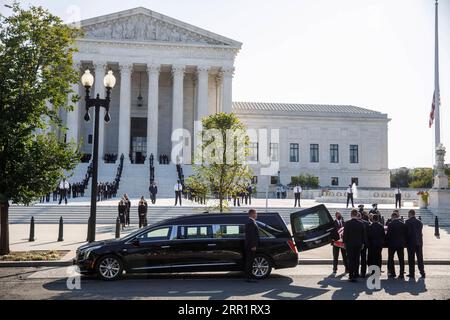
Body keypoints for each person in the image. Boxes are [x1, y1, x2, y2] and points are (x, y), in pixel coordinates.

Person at [343, 209, 366, 282]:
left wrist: (344, 243)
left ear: (351, 215)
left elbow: (345, 235)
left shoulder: (347, 223)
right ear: (357, 215)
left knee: (350, 260)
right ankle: (356, 274)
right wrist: (363, 243)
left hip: (349, 244)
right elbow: (363, 235)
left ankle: (351, 275)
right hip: (358, 244)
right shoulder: (361, 224)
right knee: (356, 259)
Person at [386, 210, 407, 279]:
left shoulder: (390, 224)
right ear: (398, 216)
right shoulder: (403, 224)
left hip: (392, 244)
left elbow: (388, 235)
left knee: (391, 258)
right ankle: (401, 274)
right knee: (401, 259)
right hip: (400, 244)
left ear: (392, 217)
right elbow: (405, 234)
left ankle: (393, 273)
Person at [405, 209, 425, 278]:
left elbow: (408, 233)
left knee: (411, 259)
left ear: (410, 214)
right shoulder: (419, 222)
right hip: (419, 242)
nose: (408, 215)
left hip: (411, 243)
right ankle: (422, 272)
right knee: (420, 258)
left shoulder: (407, 222)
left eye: (408, 214)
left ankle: (412, 273)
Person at [244, 209, 260, 283]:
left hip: (249, 245)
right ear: (252, 214)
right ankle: (249, 278)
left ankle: (249, 277)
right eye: (255, 213)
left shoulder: (250, 222)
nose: (256, 215)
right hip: (251, 246)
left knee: (250, 262)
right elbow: (252, 236)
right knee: (250, 262)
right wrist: (253, 245)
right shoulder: (251, 223)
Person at [358, 212, 370, 277]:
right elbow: (368, 233)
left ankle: (355, 272)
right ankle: (363, 272)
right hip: (364, 243)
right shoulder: (366, 223)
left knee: (356, 258)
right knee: (363, 258)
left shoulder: (353, 223)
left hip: (356, 243)